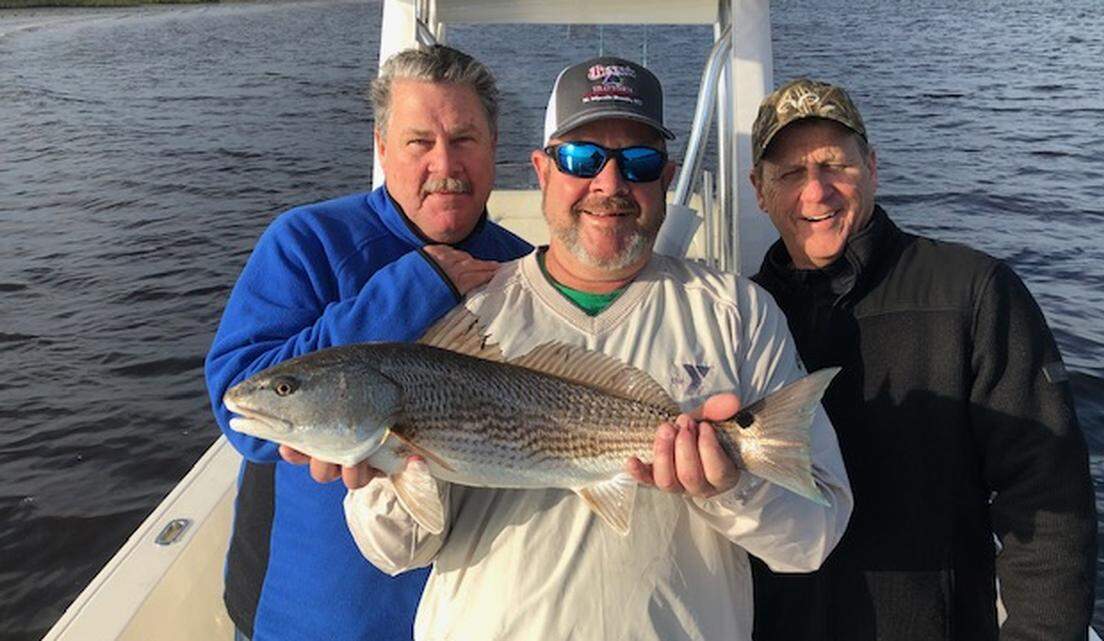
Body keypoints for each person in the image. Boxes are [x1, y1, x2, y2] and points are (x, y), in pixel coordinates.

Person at [342, 56, 854, 641]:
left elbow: (813, 537)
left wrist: (733, 489)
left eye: (637, 162)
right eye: (582, 159)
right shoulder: (467, 314)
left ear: (665, 178)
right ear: (542, 171)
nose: (609, 185)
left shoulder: (738, 314)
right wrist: (395, 466)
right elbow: (394, 551)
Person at [746, 78, 1097, 641]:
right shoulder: (742, 318)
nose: (817, 192)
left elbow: (1046, 494)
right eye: (790, 173)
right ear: (759, 191)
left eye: (836, 165)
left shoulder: (972, 292)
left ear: (873, 167)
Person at [203, 45, 532, 641]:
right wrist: (416, 286)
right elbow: (241, 407)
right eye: (419, 143)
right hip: (318, 617)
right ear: (381, 147)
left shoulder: (524, 270)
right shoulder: (309, 241)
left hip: (476, 611)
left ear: (493, 146)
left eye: (464, 139)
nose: (444, 164)